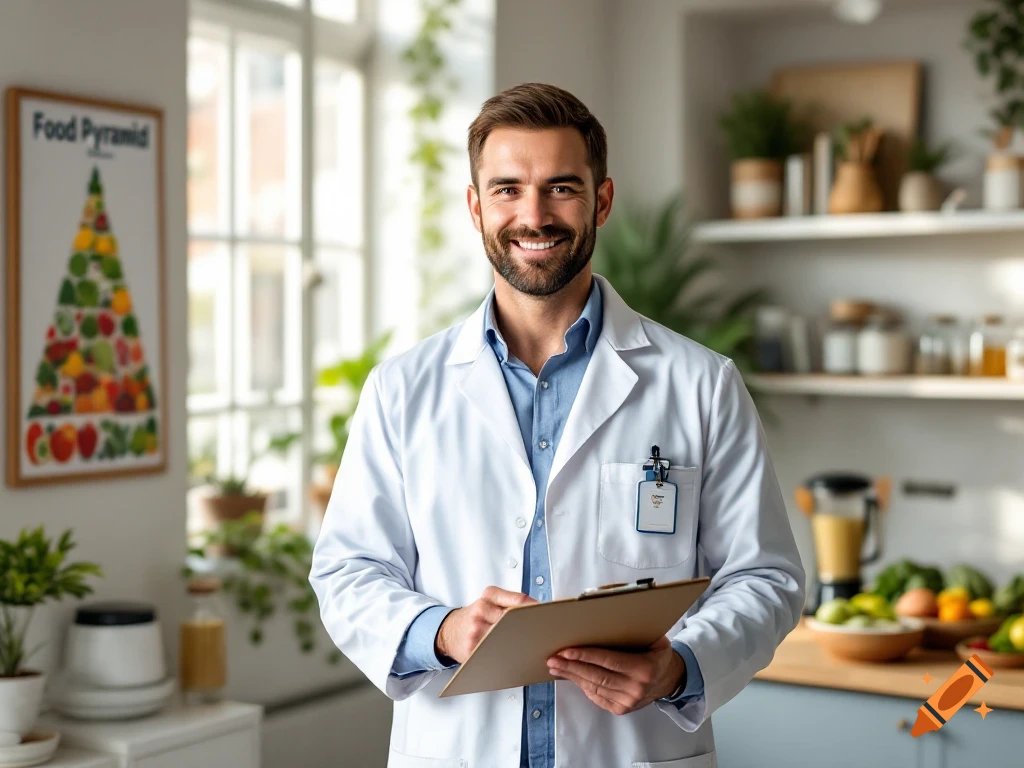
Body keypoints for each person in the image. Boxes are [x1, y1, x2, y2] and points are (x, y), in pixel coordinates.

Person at [310, 82, 805, 768]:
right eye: (508, 189)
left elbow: (766, 577)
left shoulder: (699, 383)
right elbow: (347, 571)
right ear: (475, 205)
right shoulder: (402, 391)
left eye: (561, 188)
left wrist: (680, 666)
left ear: (601, 200)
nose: (533, 215)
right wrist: (444, 629)